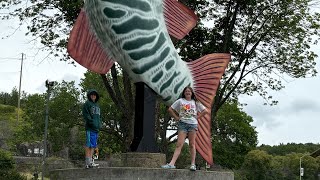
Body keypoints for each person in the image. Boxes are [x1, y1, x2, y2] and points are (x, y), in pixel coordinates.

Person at [161, 86, 208, 171]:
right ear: (184, 93)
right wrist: (176, 117)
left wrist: (198, 117)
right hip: (182, 124)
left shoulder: (195, 102)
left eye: (189, 91)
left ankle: (193, 164)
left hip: (192, 125)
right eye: (186, 91)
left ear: (192, 93)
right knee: (179, 144)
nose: (188, 92)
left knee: (192, 144)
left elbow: (205, 111)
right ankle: (172, 164)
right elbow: (170, 109)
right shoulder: (180, 101)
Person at [83, 89, 102, 169]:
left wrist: (99, 124)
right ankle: (87, 162)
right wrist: (92, 122)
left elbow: (99, 117)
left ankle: (91, 162)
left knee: (93, 146)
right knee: (88, 145)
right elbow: (86, 115)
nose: (93, 96)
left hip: (96, 129)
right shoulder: (87, 104)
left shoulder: (97, 105)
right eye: (92, 95)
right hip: (90, 128)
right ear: (89, 96)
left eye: (94, 95)